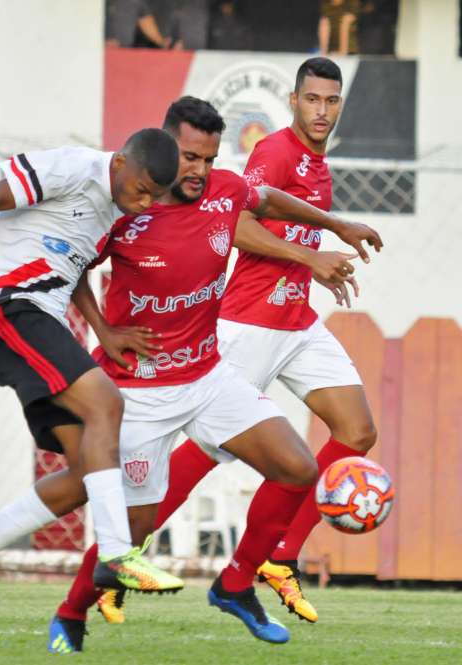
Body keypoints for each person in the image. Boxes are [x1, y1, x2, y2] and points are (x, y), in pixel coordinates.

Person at [48, 95, 380, 651]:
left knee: (297, 467)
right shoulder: (128, 205)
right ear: (161, 150)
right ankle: (72, 613)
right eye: (187, 157)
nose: (199, 170)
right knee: (132, 528)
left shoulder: (226, 189)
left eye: (208, 157)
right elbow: (72, 265)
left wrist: (337, 226)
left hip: (207, 377)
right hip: (143, 389)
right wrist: (103, 332)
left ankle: (237, 583)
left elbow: (268, 199)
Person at [134, 56, 381, 625]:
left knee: (357, 430)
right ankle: (126, 552)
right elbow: (235, 224)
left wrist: (323, 258)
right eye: (312, 99)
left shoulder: (320, 168)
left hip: (295, 322)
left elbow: (295, 229)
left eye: (331, 101)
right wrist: (311, 256)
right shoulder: (274, 152)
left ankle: (280, 555)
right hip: (248, 322)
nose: (322, 111)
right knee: (207, 450)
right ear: (293, 101)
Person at [0, 129, 183, 624]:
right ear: (121, 163)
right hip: (8, 307)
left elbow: (74, 263)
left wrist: (101, 330)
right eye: (141, 190)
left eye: (154, 197)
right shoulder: (75, 168)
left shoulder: (117, 210)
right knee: (108, 404)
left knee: (87, 469)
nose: (144, 203)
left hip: (40, 322)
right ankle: (117, 554)